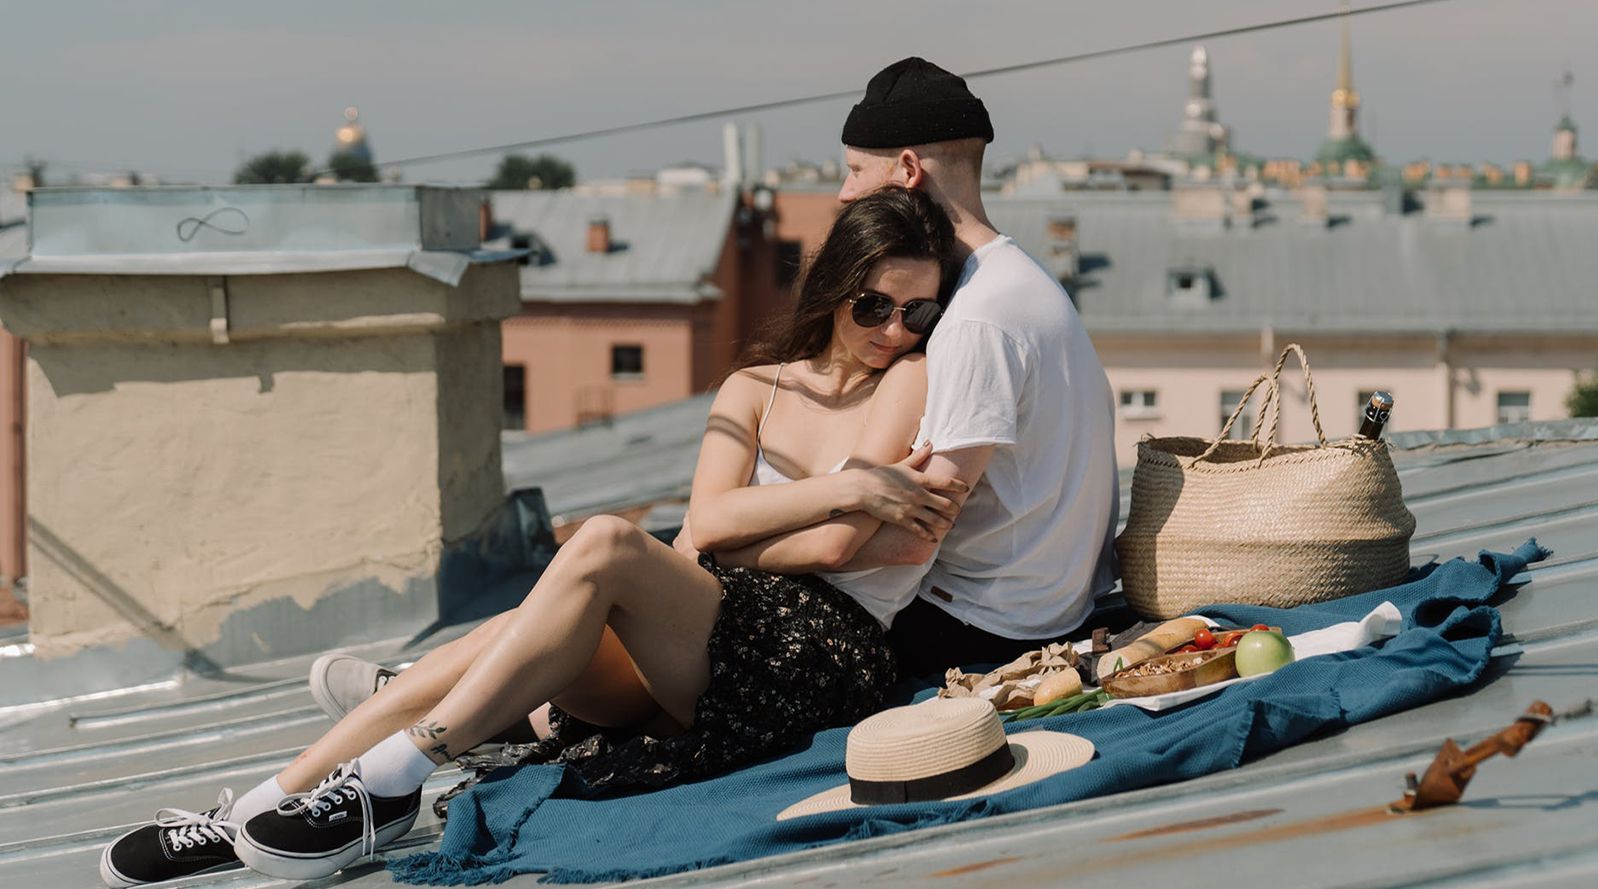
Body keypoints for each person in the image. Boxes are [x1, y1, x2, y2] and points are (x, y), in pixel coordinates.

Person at [97, 186, 968, 886]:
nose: (896, 331)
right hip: (704, 631)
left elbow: (816, 551)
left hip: (811, 655)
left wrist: (743, 538)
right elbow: (711, 524)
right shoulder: (753, 387)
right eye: (874, 305)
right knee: (496, 637)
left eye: (919, 313)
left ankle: (398, 771)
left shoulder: (908, 380)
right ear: (830, 289)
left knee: (600, 543)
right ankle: (256, 808)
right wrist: (846, 487)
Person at [723, 57, 1121, 677]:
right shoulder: (1022, 282)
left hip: (980, 629)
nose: (845, 193)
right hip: (1048, 609)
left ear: (907, 170)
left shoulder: (973, 322)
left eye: (856, 170)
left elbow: (915, 532)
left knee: (717, 637)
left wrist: (729, 549)